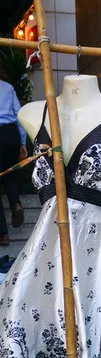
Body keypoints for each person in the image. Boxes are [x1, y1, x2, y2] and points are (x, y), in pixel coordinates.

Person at [0, 79, 27, 245]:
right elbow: (19, 115)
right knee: (9, 174)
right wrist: (22, 142)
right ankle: (15, 203)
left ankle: (2, 234)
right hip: (10, 134)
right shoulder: (8, 87)